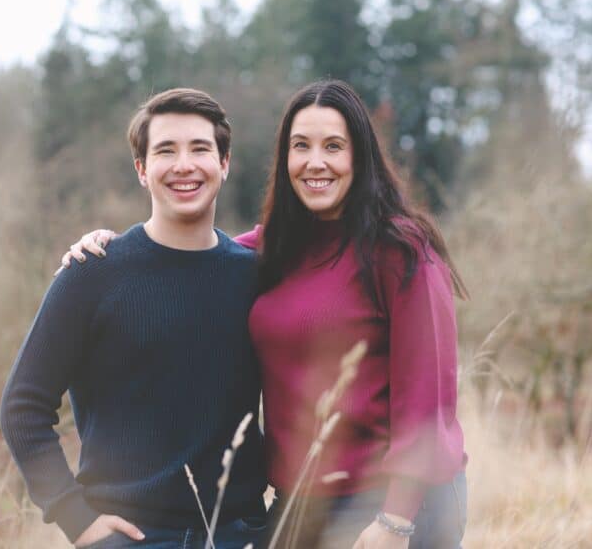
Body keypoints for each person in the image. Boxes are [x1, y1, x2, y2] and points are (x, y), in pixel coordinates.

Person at [60, 80, 468, 548]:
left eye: (334, 146)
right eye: (301, 146)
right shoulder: (272, 248)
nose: (315, 162)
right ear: (284, 158)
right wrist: (114, 250)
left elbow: (426, 403)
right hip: (299, 504)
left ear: (361, 156)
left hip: (395, 504)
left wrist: (396, 521)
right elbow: (194, 258)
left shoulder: (400, 250)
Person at [0, 88, 267, 549]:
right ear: (142, 170)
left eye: (200, 149)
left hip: (238, 533)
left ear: (224, 164)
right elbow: (22, 407)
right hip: (129, 536)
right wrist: (77, 520)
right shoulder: (94, 272)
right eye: (165, 150)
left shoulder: (257, 277)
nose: (184, 164)